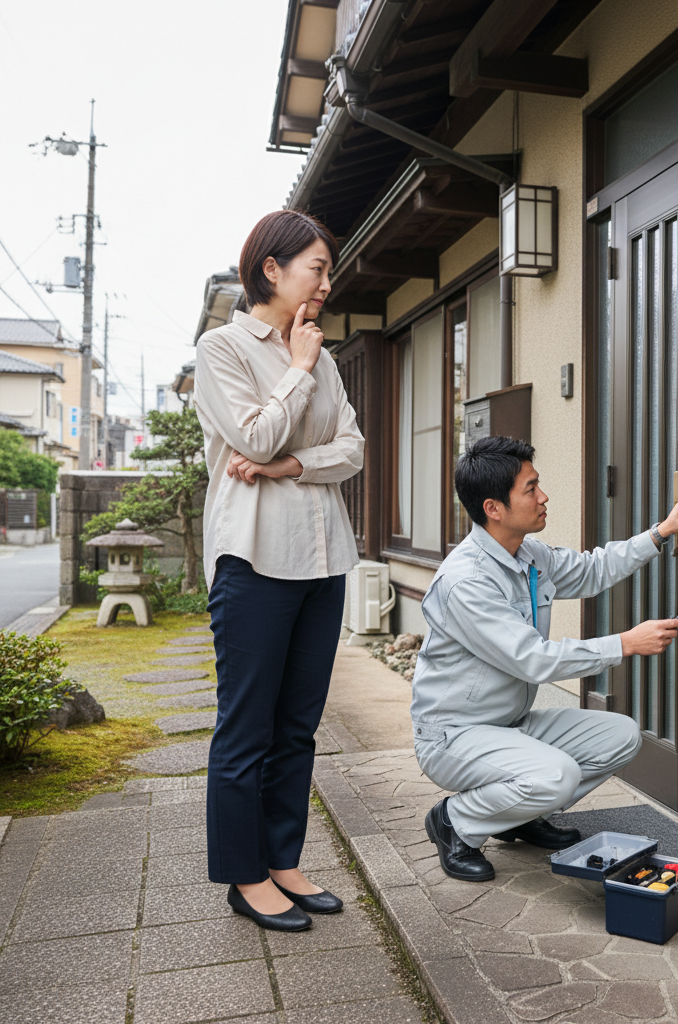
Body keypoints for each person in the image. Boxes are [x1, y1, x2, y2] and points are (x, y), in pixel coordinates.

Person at [411, 435, 678, 881]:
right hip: (454, 736)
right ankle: (456, 822)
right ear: (493, 508)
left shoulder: (528, 554)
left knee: (621, 735)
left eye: (538, 484)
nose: (543, 496)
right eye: (530, 489)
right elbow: (533, 660)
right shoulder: (466, 582)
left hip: (507, 726)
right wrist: (625, 643)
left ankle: (514, 815)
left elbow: (590, 570)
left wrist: (661, 533)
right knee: (558, 775)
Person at [193, 210, 364, 931]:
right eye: (317, 267)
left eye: (328, 269)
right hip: (256, 562)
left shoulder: (325, 356)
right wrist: (293, 371)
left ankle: (284, 861)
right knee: (247, 729)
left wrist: (291, 464)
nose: (327, 281)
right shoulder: (223, 349)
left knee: (297, 727)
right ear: (273, 268)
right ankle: (245, 875)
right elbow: (251, 433)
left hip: (324, 561)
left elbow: (352, 450)